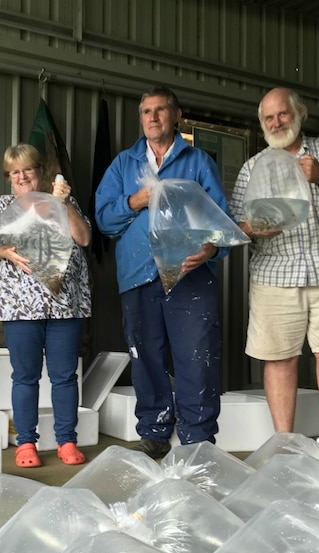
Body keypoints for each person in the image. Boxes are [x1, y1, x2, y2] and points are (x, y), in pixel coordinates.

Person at [95, 86, 230, 459]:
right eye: (146, 112)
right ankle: (154, 431)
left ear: (176, 115)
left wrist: (211, 248)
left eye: (160, 110)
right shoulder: (124, 164)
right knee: (146, 357)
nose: (152, 117)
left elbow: (219, 219)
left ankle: (198, 438)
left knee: (196, 355)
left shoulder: (199, 162)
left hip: (189, 274)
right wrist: (133, 201)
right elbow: (104, 221)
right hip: (139, 274)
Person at [231, 88, 319, 433]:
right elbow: (237, 224)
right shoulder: (252, 167)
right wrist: (254, 228)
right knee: (279, 361)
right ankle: (284, 444)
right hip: (275, 276)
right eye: (269, 118)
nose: (276, 122)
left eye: (283, 114)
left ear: (299, 114)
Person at [0, 144, 91, 468]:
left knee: (65, 377)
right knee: (24, 377)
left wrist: (63, 203)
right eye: (15, 172)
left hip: (65, 305)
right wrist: (5, 252)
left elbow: (83, 238)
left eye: (28, 169)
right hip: (19, 306)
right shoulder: (1, 206)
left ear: (40, 171)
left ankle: (67, 441)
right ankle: (26, 443)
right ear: (9, 177)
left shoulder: (62, 201)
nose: (23, 176)